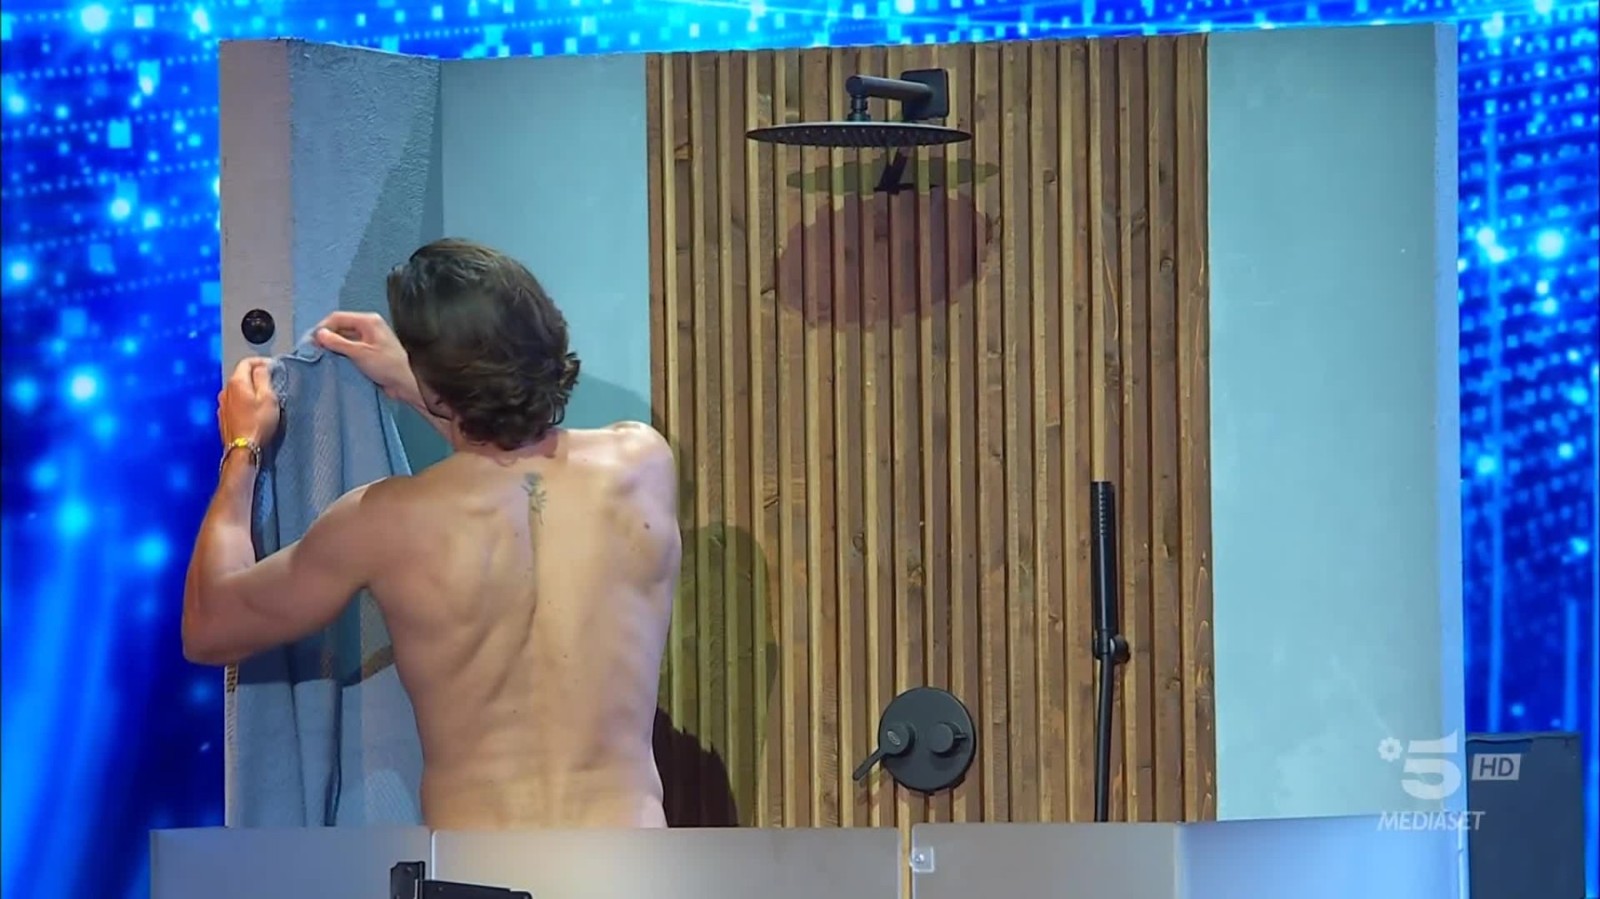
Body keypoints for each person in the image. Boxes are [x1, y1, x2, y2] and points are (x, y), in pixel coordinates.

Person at [182, 238, 680, 829]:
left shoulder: (384, 520)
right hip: (631, 860)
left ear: (439, 383)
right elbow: (514, 466)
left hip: (480, 867)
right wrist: (424, 388)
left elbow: (210, 626)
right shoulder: (643, 463)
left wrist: (242, 447)